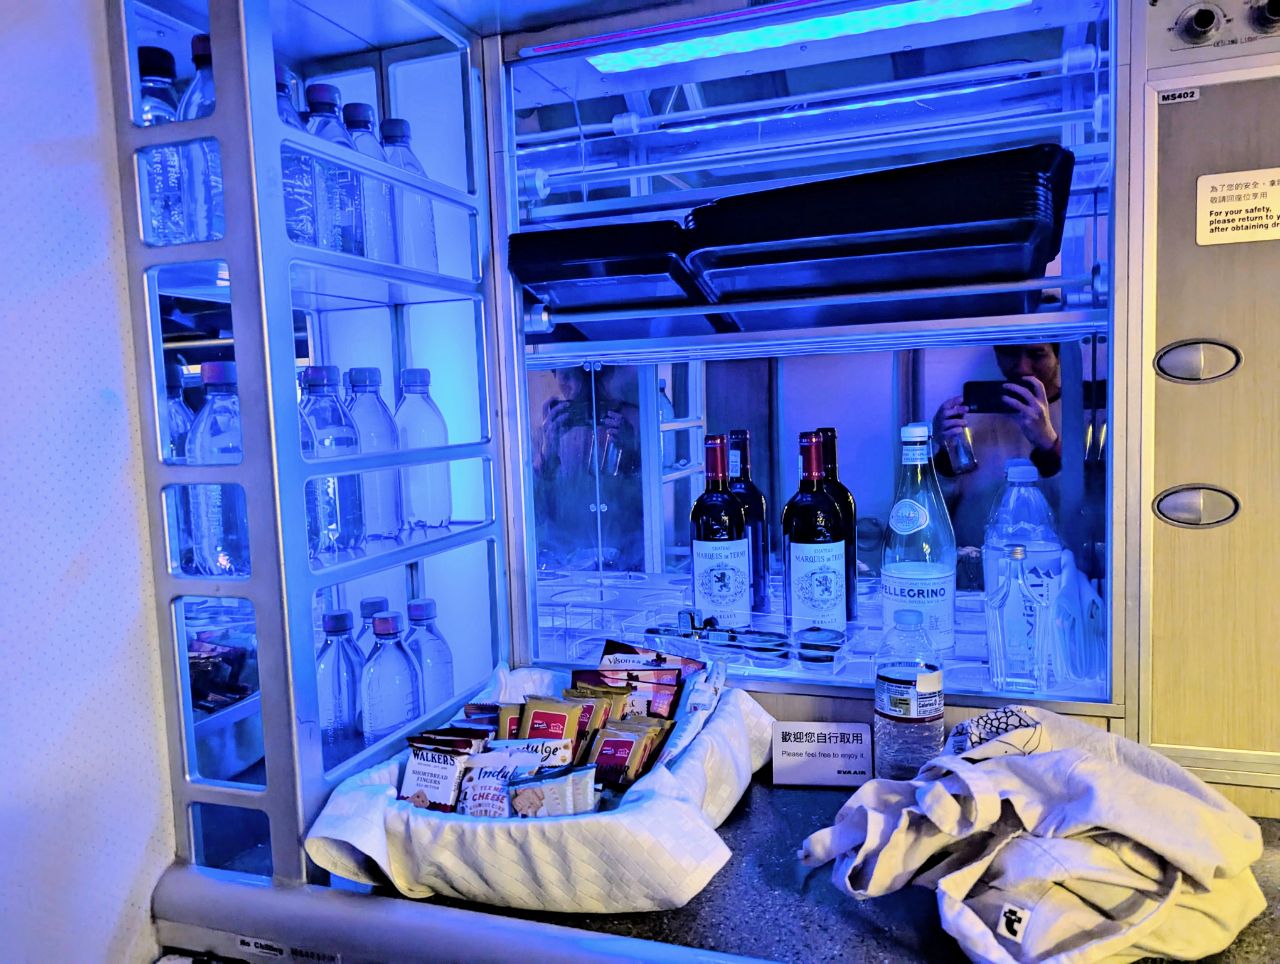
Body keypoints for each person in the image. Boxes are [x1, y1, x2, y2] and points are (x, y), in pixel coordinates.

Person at [933, 343, 1063, 557]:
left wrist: (1049, 444)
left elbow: (1089, 511)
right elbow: (932, 513)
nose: (1022, 367)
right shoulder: (968, 417)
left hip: (1054, 563)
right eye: (1009, 353)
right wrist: (944, 454)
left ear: (1057, 356)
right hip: (973, 563)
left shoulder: (1082, 412)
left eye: (1037, 354)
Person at [532, 366, 643, 571]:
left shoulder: (634, 421)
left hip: (625, 563)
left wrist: (630, 453)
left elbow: (651, 506)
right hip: (562, 566)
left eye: (583, 375)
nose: (574, 387)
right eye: (564, 375)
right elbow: (533, 515)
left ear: (603, 373)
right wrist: (548, 454)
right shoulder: (547, 427)